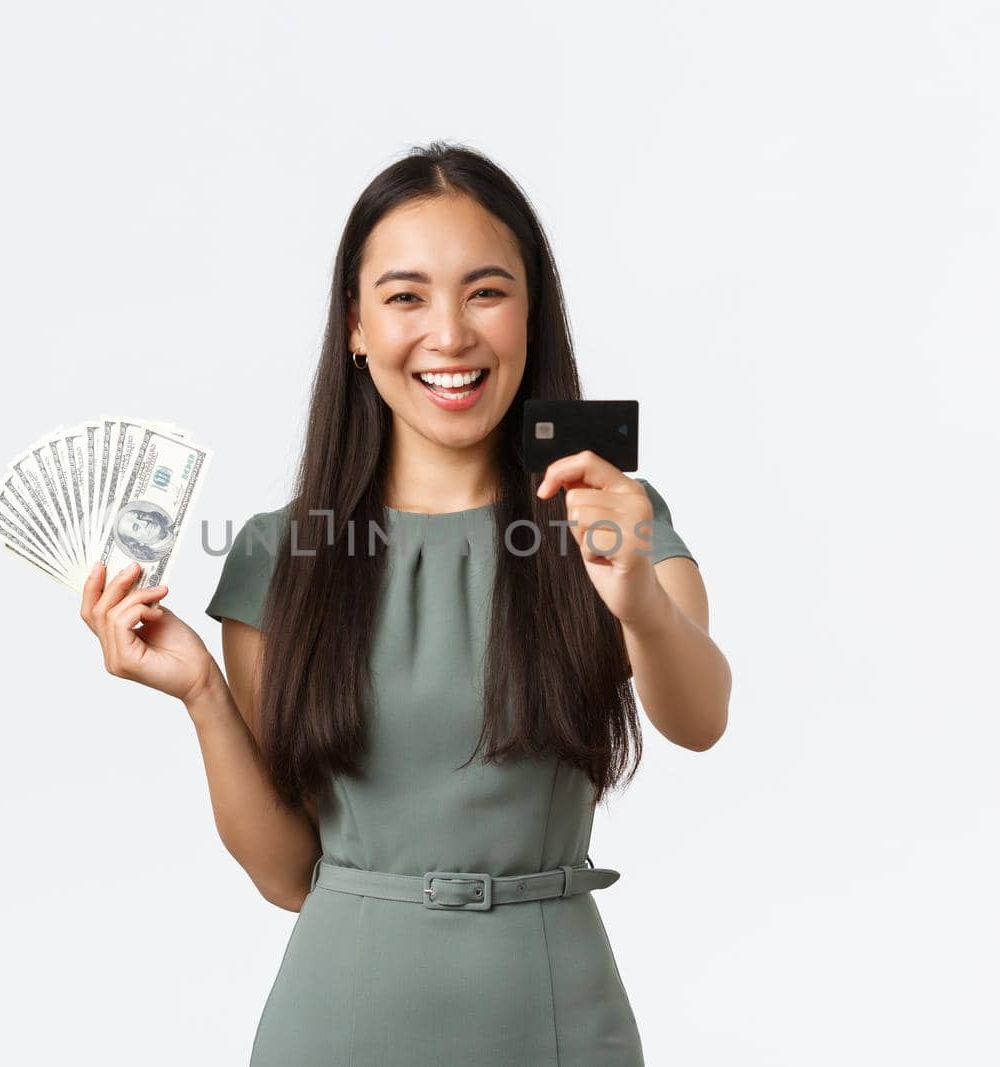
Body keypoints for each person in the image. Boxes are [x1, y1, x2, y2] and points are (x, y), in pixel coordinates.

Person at [79, 142, 732, 1066]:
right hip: (336, 1024)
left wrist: (637, 603)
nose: (451, 335)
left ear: (531, 314)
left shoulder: (611, 515)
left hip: (556, 1020)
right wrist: (201, 693)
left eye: (487, 291)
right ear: (355, 325)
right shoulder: (281, 554)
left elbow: (701, 718)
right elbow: (286, 874)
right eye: (405, 296)